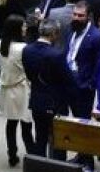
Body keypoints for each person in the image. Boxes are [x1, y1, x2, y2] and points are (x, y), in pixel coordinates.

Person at [22, 19, 72, 158]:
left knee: (40, 137)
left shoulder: (27, 50)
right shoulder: (56, 55)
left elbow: (29, 75)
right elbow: (68, 79)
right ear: (55, 34)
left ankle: (40, 170)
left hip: (37, 99)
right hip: (55, 102)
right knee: (57, 141)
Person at [0, 15, 34, 167]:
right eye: (23, 26)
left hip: (7, 87)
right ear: (17, 29)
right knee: (26, 124)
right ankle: (32, 155)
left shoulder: (1, 45)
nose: (25, 28)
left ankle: (12, 154)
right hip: (22, 88)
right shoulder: (23, 48)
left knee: (11, 123)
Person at [63, 2, 100, 123]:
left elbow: (99, 64)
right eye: (74, 14)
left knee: (82, 120)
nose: (76, 18)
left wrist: (91, 84)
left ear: (89, 17)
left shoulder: (97, 36)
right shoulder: (70, 29)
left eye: (81, 15)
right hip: (66, 81)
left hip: (83, 85)